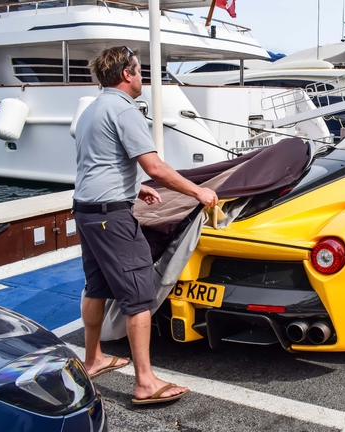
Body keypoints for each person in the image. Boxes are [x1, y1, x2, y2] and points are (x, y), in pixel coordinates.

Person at [73, 46, 218, 405]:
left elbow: (97, 161)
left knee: (96, 287)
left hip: (87, 211)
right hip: (112, 218)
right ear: (126, 74)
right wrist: (199, 191)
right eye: (140, 72)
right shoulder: (124, 110)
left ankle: (93, 359)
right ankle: (145, 383)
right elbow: (156, 168)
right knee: (139, 297)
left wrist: (134, 187)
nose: (142, 78)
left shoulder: (93, 108)